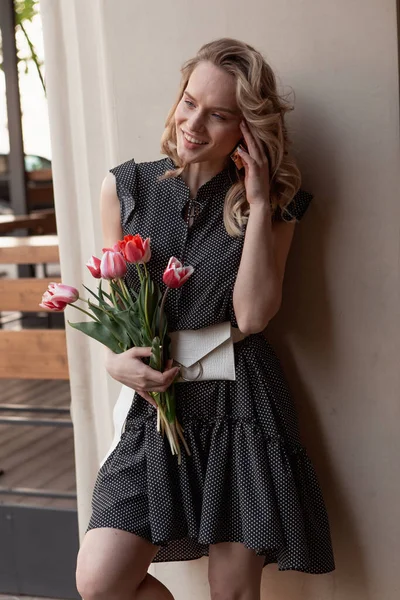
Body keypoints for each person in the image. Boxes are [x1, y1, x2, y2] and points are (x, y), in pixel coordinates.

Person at [76, 38, 335, 600]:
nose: (193, 124)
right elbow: (122, 313)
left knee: (233, 593)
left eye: (218, 115)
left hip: (239, 402)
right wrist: (116, 364)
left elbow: (253, 314)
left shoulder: (275, 201)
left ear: (247, 127)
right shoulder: (125, 188)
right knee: (100, 582)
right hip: (155, 406)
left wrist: (262, 204)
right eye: (189, 102)